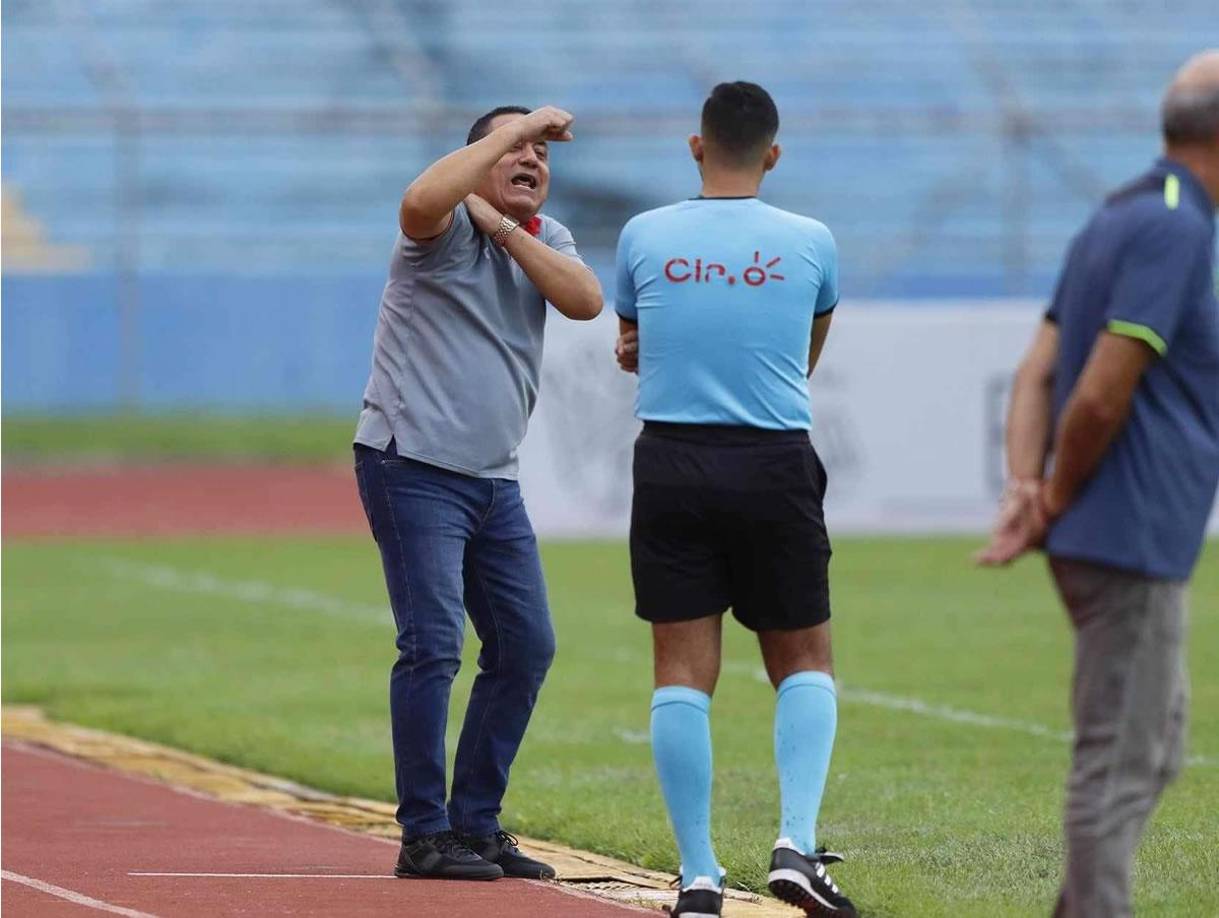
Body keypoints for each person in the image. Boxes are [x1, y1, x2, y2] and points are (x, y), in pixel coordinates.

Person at [977, 49, 1219, 918]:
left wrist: (1024, 484)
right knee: (1118, 765)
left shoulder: (1116, 213)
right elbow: (1098, 391)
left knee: (1151, 750)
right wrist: (1052, 495)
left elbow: (1035, 369)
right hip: (1126, 528)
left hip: (1124, 530)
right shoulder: (1174, 227)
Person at [614, 82, 856, 918]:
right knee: (804, 658)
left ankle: (697, 875)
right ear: (773, 154)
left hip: (671, 458)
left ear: (695, 145)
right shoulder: (811, 240)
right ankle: (795, 842)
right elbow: (803, 354)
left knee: (680, 671)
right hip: (772, 458)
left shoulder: (644, 234)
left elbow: (632, 340)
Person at [353, 104, 602, 882]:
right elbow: (419, 200)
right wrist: (500, 157)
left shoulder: (542, 236)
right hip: (412, 464)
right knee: (432, 645)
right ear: (475, 159)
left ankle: (476, 823)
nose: (532, 159)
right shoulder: (438, 229)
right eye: (513, 148)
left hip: (494, 478)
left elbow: (584, 300)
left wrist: (504, 226)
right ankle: (424, 835)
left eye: (541, 152)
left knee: (526, 647)